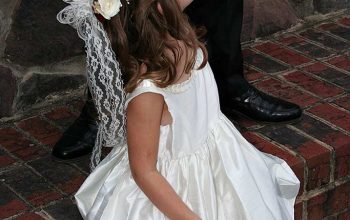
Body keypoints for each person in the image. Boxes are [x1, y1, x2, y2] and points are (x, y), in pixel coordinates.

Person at [58, 0, 300, 219]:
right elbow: (145, 173)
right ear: (162, 11)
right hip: (168, 187)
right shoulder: (149, 93)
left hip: (214, 161)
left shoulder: (183, 42)